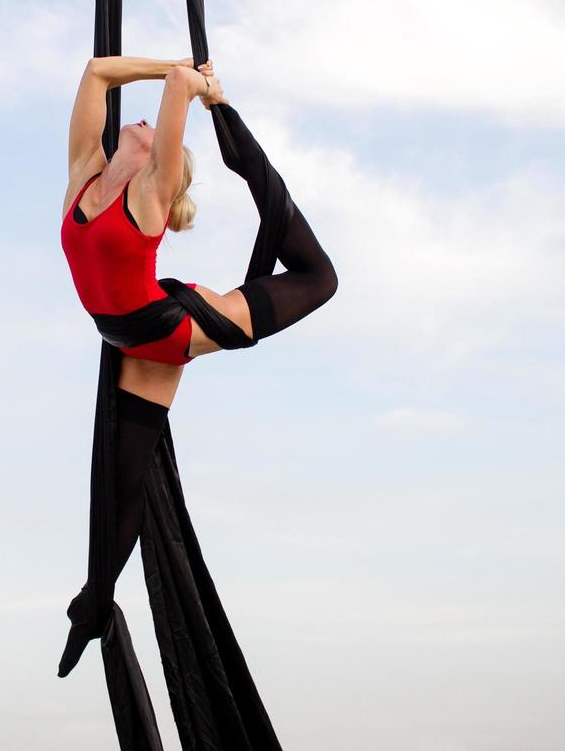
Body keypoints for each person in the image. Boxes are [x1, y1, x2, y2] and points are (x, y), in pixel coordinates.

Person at [57, 54, 339, 677]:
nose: (140, 122)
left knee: (320, 279)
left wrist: (204, 90)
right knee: (123, 479)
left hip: (171, 327)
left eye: (155, 129)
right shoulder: (85, 172)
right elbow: (98, 72)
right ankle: (95, 606)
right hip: (133, 340)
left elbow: (180, 88)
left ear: (168, 163)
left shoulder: (150, 192)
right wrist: (178, 68)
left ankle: (259, 174)